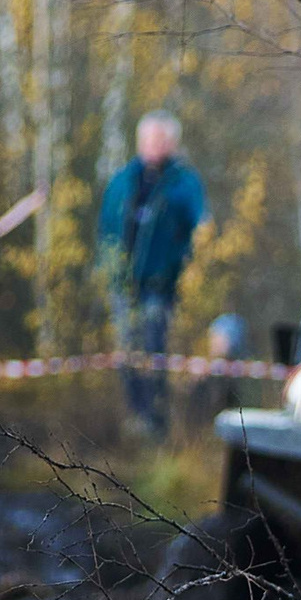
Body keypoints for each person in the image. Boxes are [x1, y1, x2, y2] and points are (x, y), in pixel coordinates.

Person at [96, 110, 206, 437]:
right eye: (148, 139)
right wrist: (108, 268)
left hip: (161, 285)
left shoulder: (184, 182)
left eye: (160, 139)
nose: (153, 145)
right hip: (123, 285)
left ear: (172, 143)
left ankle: (158, 420)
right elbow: (105, 229)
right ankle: (136, 417)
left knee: (155, 350)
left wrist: (188, 270)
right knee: (126, 352)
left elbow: (200, 229)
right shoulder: (123, 180)